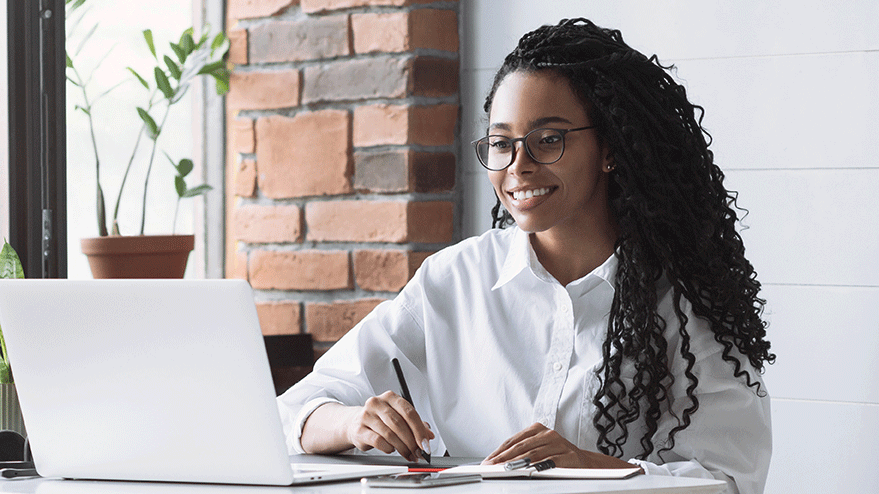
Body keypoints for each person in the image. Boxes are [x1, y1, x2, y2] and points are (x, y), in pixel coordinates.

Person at [277, 18, 775, 494]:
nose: (518, 166)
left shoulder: (684, 302)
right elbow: (287, 414)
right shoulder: (455, 279)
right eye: (501, 143)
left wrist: (594, 469)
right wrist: (353, 421)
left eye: (548, 140)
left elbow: (730, 479)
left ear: (611, 148)